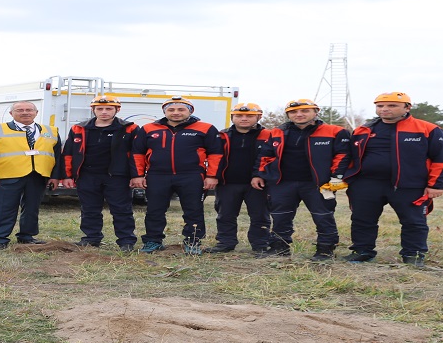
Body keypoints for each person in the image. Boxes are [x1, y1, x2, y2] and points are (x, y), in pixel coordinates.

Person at [343, 92, 443, 267]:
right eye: (380, 106)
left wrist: (436, 184)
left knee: (414, 222)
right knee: (362, 220)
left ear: (407, 107)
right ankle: (362, 251)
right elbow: (350, 156)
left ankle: (413, 255)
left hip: (409, 185)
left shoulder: (428, 129)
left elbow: (442, 158)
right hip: (366, 185)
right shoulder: (363, 130)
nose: (385, 109)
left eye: (392, 105)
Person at [251, 99, 351, 261]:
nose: (299, 114)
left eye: (305, 111)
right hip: (282, 183)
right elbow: (265, 156)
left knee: (324, 215)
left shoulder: (335, 132)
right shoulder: (277, 132)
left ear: (316, 112)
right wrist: (259, 174)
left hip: (321, 184)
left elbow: (343, 156)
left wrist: (336, 178)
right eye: (293, 112)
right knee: (280, 216)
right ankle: (279, 247)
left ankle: (325, 250)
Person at [130, 96, 223, 255]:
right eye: (171, 109)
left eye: (181, 109)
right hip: (157, 176)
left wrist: (212, 176)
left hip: (192, 175)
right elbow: (137, 153)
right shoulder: (149, 129)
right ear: (164, 111)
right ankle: (153, 241)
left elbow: (216, 154)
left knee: (193, 211)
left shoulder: (205, 128)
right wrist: (138, 175)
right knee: (154, 210)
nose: (176, 113)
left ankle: (193, 242)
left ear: (190, 111)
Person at [53, 96, 137, 251]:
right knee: (89, 209)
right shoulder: (79, 128)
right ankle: (91, 239)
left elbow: (136, 154)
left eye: (109, 109)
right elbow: (68, 154)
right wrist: (68, 176)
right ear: (93, 110)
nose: (104, 112)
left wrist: (136, 175)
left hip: (117, 177)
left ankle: (126, 241)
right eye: (99, 109)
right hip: (87, 176)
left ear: (117, 110)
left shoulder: (130, 128)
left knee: (121, 210)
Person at [0, 101, 59, 249]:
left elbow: (56, 155)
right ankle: (0, 239)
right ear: (11, 114)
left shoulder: (51, 131)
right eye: (19, 110)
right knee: (4, 208)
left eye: (29, 110)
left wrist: (54, 176)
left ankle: (27, 236)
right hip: (6, 176)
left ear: (36, 113)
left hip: (38, 175)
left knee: (32, 208)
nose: (25, 112)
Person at [205, 103, 271, 255]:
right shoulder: (222, 136)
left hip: (257, 184)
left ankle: (260, 245)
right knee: (225, 215)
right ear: (232, 117)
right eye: (239, 116)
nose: (244, 119)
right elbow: (214, 157)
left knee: (260, 215)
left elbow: (270, 158)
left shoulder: (269, 135)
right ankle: (225, 243)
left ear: (259, 117)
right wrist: (213, 176)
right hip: (227, 183)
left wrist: (260, 176)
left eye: (249, 116)